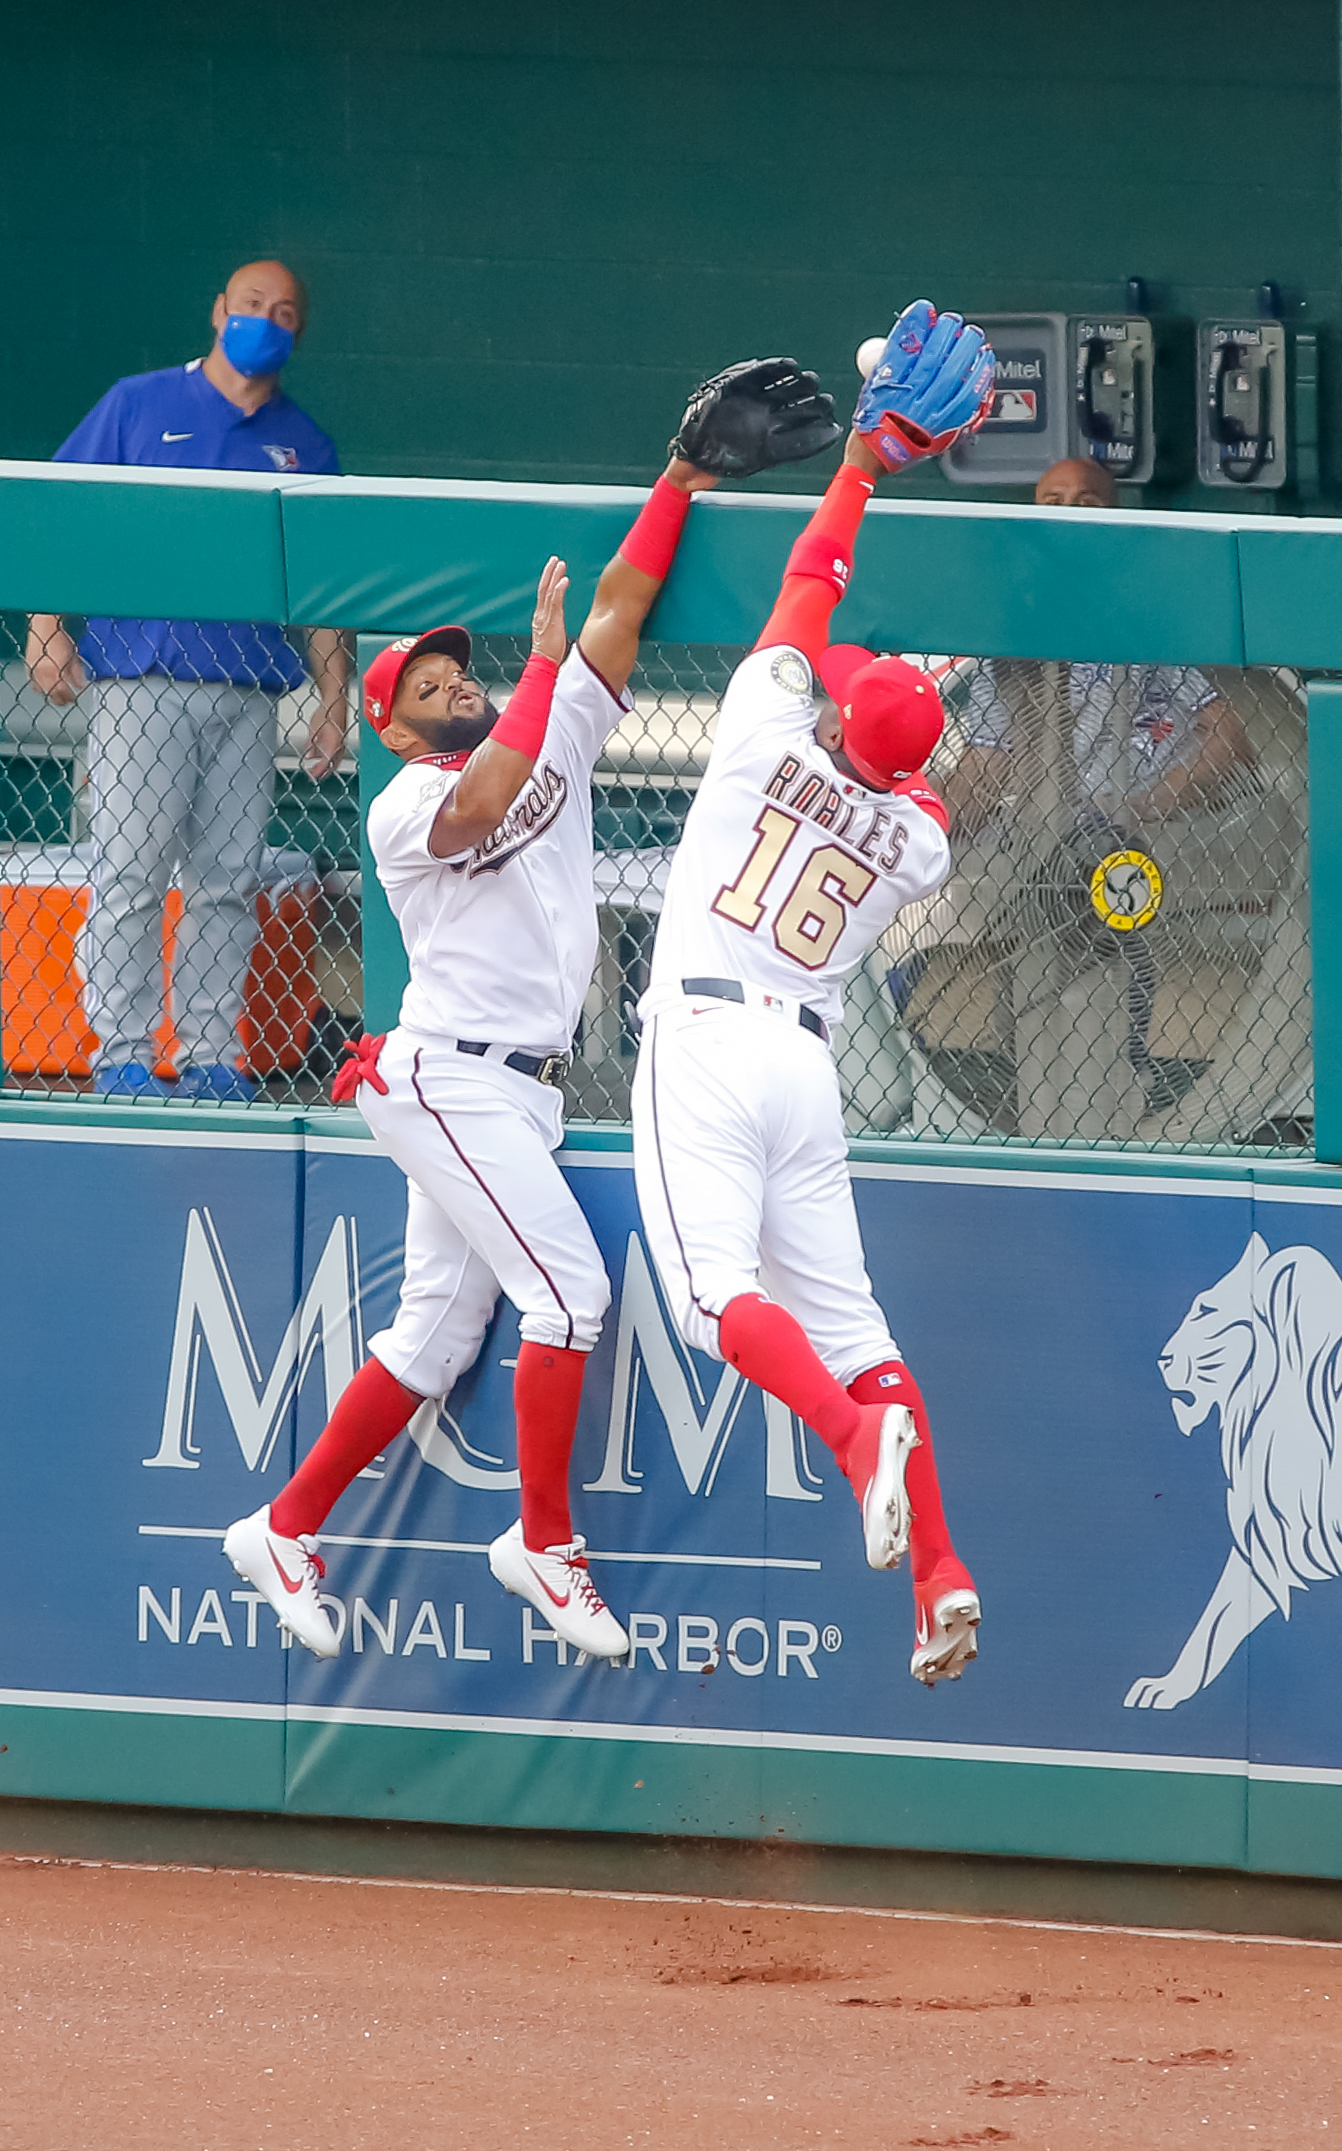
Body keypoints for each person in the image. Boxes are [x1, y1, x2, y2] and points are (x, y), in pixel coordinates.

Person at [222, 360, 842, 1666]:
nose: (450, 681)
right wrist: (545, 677)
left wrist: (678, 482)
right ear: (387, 724)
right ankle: (542, 1544)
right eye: (424, 683)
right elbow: (478, 804)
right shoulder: (405, 803)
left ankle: (282, 1522)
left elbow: (623, 601)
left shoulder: (549, 724)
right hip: (447, 1071)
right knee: (568, 1291)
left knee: (436, 1333)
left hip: (517, 1084)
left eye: (456, 668)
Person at [631, 302, 994, 1686]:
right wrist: (904, 720)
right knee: (860, 1333)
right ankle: (942, 1574)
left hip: (708, 1034)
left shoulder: (761, 730)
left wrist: (867, 462)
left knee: (711, 1295)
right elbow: (904, 751)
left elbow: (810, 580)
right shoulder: (918, 835)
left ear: (838, 716)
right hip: (808, 1063)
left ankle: (851, 1444)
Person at [26, 258, 355, 1101]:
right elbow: (63, 511)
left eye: (283, 311)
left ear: (298, 331)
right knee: (130, 874)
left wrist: (333, 693)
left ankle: (212, 1054)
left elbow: (324, 586)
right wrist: (47, 625)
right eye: (251, 305)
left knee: (226, 883)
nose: (265, 321)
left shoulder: (304, 441)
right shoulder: (138, 404)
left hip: (247, 688)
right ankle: (123, 1055)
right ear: (217, 312)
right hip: (143, 678)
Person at [943, 457, 1256, 842]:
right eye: (1052, 504)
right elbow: (987, 760)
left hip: (1150, 837)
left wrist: (1141, 806)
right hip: (1045, 841)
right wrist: (925, 831)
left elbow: (1228, 738)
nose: (1068, 516)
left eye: (1086, 503)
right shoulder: (1011, 634)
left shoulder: (1140, 618)